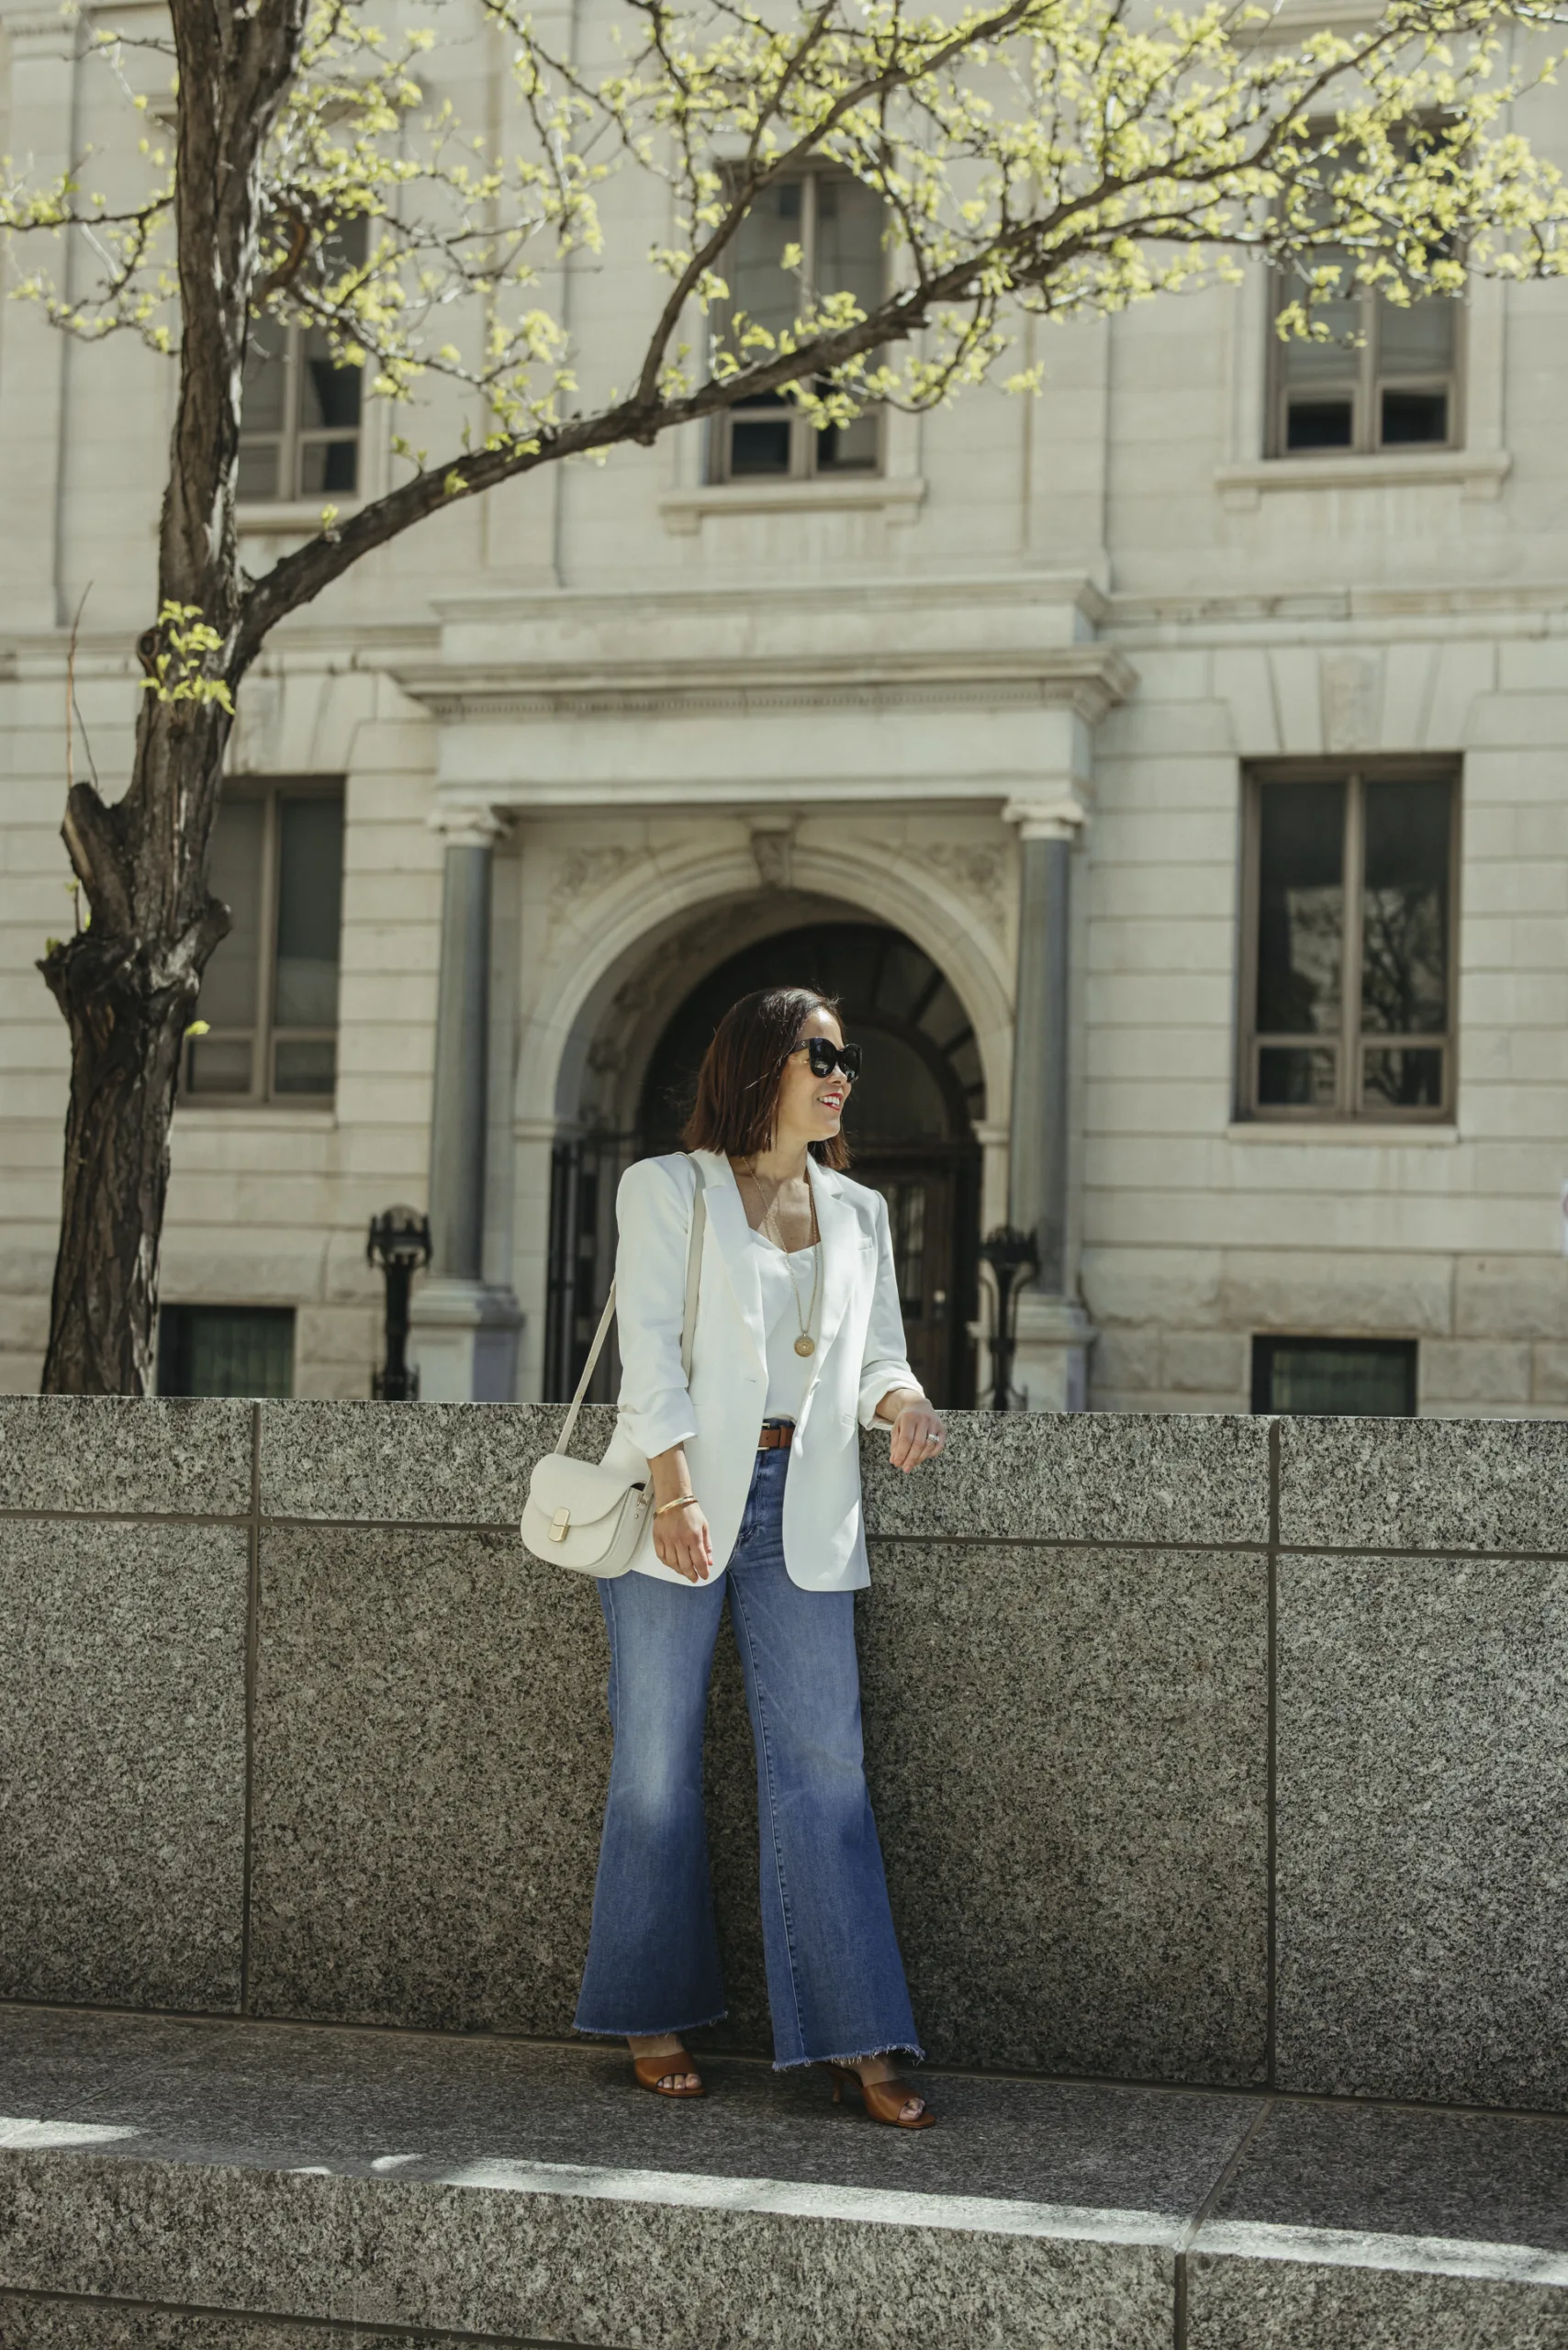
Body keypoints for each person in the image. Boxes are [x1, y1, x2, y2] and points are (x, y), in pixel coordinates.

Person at [573, 985, 947, 2128]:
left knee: (826, 1768)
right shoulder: (667, 1187)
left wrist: (903, 1402)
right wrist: (676, 1490)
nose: (841, 1076)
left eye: (848, 1060)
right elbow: (648, 1350)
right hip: (677, 1492)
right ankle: (651, 2013)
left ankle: (854, 2034)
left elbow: (877, 1353)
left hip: (806, 1503)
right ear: (758, 1065)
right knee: (654, 1763)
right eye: (819, 1056)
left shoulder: (859, 1211)